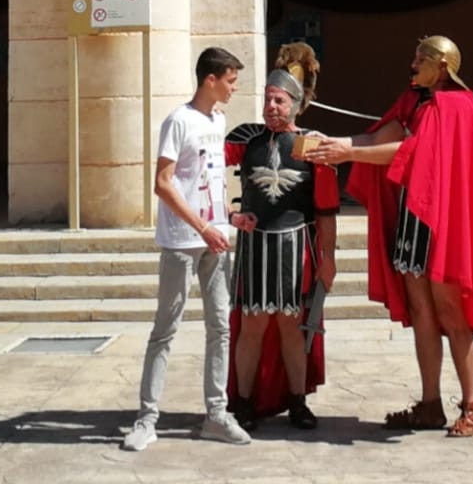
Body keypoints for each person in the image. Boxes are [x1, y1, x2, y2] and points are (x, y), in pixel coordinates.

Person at [307, 36, 473, 438]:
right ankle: (430, 404)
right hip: (411, 217)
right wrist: (334, 145)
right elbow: (379, 138)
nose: (413, 66)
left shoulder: (459, 105)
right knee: (421, 311)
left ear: (442, 65)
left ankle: (471, 405)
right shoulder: (414, 100)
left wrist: (350, 155)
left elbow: (415, 152)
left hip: (443, 221)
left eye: (420, 60)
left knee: (450, 309)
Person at [121, 47, 251, 453]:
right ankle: (146, 419)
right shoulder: (178, 121)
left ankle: (216, 415)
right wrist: (202, 227)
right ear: (210, 80)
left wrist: (229, 217)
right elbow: (163, 183)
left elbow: (209, 181)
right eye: (230, 80)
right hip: (183, 240)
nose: (234, 88)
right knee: (166, 329)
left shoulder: (218, 120)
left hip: (216, 240)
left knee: (220, 327)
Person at [225, 42, 338, 432]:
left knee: (293, 326)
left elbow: (325, 209)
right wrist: (227, 214)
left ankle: (297, 400)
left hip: (296, 250)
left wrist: (328, 258)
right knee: (252, 325)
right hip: (255, 248)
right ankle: (243, 402)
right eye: (267, 99)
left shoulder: (312, 145)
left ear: (295, 103)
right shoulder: (246, 140)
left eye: (279, 100)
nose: (271, 107)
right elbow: (203, 166)